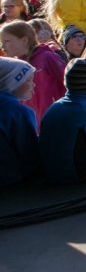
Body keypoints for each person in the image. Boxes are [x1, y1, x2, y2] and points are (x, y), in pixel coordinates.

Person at [1, 20, 66, 125]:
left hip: (55, 120)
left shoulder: (47, 57)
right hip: (32, 123)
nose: (3, 47)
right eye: (1, 43)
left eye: (7, 41)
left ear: (24, 40)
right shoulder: (15, 66)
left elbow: (72, 84)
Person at [0, 58, 40, 186]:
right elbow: (28, 151)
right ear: (11, 82)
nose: (33, 84)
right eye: (28, 80)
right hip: (11, 178)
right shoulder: (16, 111)